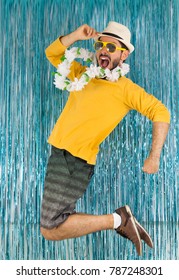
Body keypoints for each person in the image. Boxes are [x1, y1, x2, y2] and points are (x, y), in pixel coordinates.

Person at [40, 22, 170, 256]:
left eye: (112, 46)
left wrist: (155, 156)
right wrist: (76, 36)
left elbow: (160, 112)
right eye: (100, 44)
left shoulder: (125, 89)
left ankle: (118, 220)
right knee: (51, 228)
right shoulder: (81, 74)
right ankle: (118, 220)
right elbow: (52, 53)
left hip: (75, 160)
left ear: (124, 54)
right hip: (58, 152)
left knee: (51, 227)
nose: (103, 50)